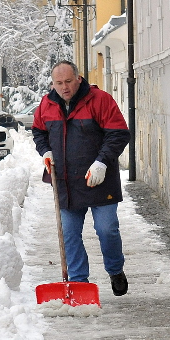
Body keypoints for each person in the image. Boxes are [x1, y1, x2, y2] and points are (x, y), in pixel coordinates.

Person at [32, 61, 132, 296]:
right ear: (52, 83)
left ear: (78, 78)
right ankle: (79, 284)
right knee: (68, 233)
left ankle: (115, 269)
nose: (64, 87)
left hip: (99, 179)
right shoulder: (47, 104)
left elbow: (118, 133)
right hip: (65, 181)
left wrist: (102, 162)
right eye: (59, 83)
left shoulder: (100, 100)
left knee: (107, 230)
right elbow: (39, 131)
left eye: (68, 81)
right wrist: (45, 151)